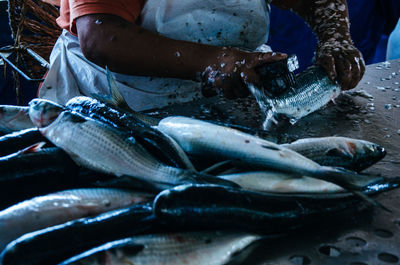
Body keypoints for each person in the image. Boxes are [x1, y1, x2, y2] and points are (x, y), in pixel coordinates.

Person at [39, 0, 365, 112]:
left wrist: (336, 38)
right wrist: (215, 62)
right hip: (114, 103)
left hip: (228, 98)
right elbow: (101, 36)